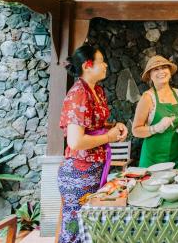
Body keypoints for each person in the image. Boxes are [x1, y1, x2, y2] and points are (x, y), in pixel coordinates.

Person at [57, 45, 128, 243]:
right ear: (88, 65)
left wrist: (115, 126)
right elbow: (76, 140)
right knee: (75, 230)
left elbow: (94, 124)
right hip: (78, 173)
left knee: (92, 226)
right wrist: (109, 137)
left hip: (94, 169)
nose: (106, 65)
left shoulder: (96, 90)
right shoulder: (78, 94)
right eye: (102, 61)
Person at [133, 55, 178, 169]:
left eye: (164, 67)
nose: (161, 71)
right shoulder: (147, 98)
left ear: (169, 71)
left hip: (177, 158)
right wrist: (155, 128)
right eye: (156, 69)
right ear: (150, 75)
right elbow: (135, 130)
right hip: (153, 162)